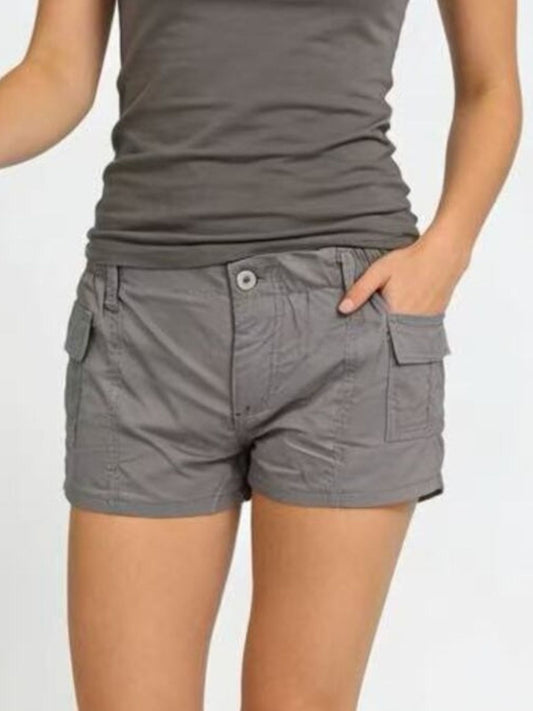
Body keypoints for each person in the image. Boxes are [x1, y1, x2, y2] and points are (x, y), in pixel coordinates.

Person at [0, 0, 522, 709]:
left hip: (344, 322)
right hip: (150, 323)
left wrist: (446, 252)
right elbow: (56, 74)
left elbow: (492, 85)